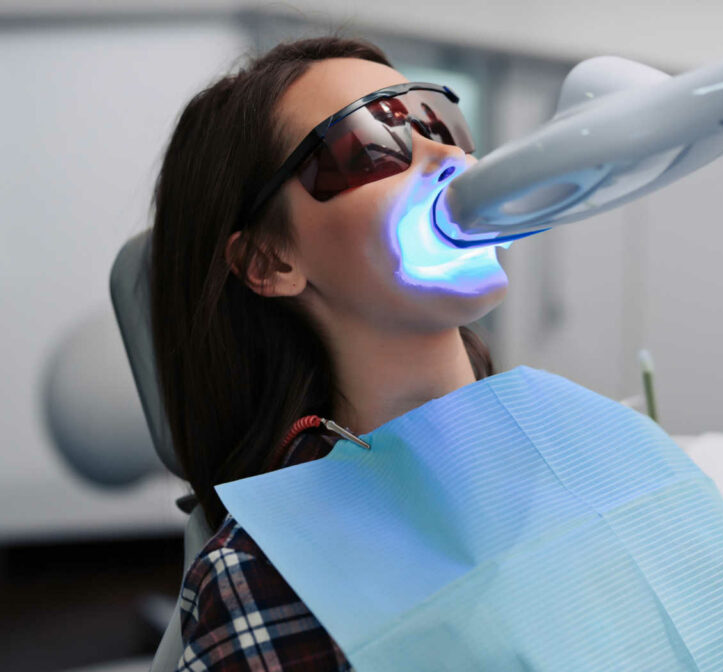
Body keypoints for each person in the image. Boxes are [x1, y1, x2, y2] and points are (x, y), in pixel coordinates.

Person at [150, 35, 507, 670]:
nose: (446, 156)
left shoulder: (578, 437)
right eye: (367, 148)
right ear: (270, 259)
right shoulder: (267, 575)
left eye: (439, 121)